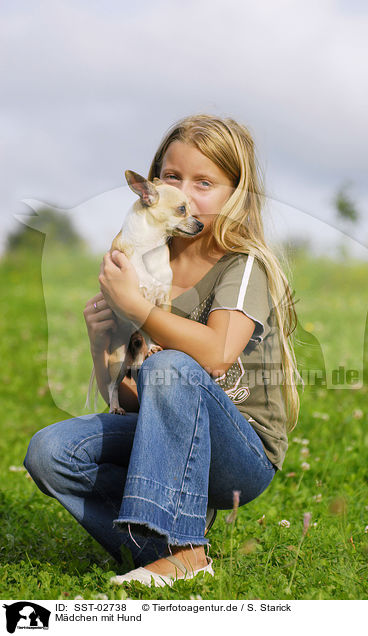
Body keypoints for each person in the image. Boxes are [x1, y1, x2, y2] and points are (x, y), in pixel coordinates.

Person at [24, 114, 301, 588]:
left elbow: (214, 355)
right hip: (162, 437)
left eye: (205, 181)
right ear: (152, 186)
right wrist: (100, 346)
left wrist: (139, 309)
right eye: (174, 177)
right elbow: (133, 398)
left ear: (235, 193)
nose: (187, 193)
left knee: (174, 365)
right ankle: (170, 547)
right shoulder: (146, 263)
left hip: (239, 454)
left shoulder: (243, 264)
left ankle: (182, 548)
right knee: (50, 452)